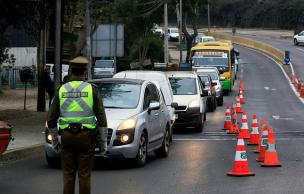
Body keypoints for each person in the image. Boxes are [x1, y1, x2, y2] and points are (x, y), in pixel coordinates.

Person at [47, 56, 107, 194]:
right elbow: (101, 118)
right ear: (85, 72)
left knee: (68, 175)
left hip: (67, 137)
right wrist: (103, 142)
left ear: (71, 71)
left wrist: (55, 141)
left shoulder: (61, 90)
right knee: (84, 175)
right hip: (86, 137)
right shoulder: (92, 90)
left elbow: (51, 119)